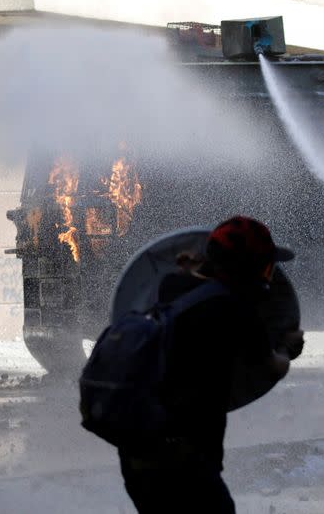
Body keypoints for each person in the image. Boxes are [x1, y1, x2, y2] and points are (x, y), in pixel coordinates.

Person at [119, 216, 304, 513]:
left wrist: (195, 269)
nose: (269, 276)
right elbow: (271, 367)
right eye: (267, 267)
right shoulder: (236, 311)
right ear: (251, 267)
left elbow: (196, 292)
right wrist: (287, 347)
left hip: (138, 454)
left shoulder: (172, 286)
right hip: (186, 460)